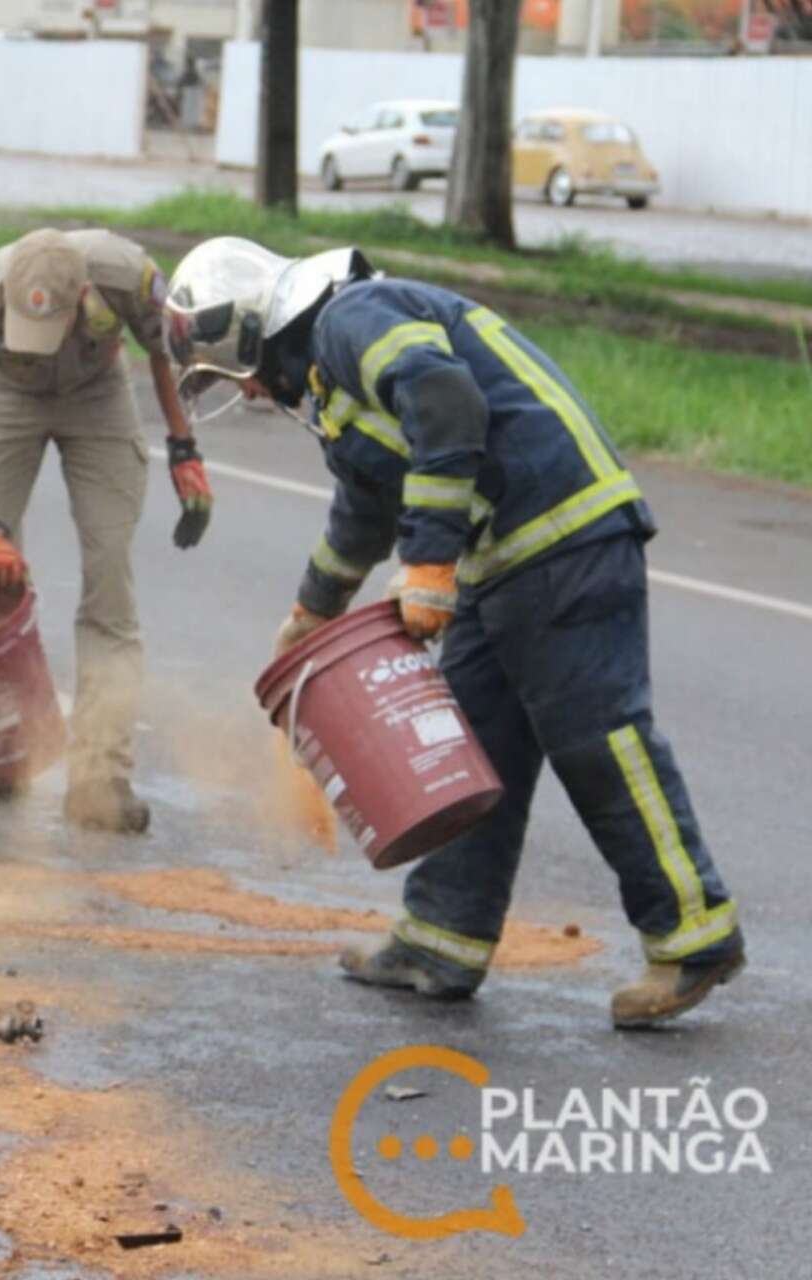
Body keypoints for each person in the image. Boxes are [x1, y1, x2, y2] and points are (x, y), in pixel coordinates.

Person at [162, 236, 744, 1029]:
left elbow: (445, 400)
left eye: (236, 375)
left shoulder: (352, 317)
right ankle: (442, 941)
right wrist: (313, 611)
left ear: (250, 330)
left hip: (563, 535)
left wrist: (429, 565)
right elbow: (366, 508)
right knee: (467, 750)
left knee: (598, 741)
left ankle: (693, 935)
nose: (255, 394)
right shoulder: (335, 381)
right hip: (500, 561)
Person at [0, 228, 213, 834]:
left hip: (98, 394)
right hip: (8, 397)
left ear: (83, 293)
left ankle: (100, 777)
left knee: (109, 576)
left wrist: (184, 447)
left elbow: (167, 352)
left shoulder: (126, 274)